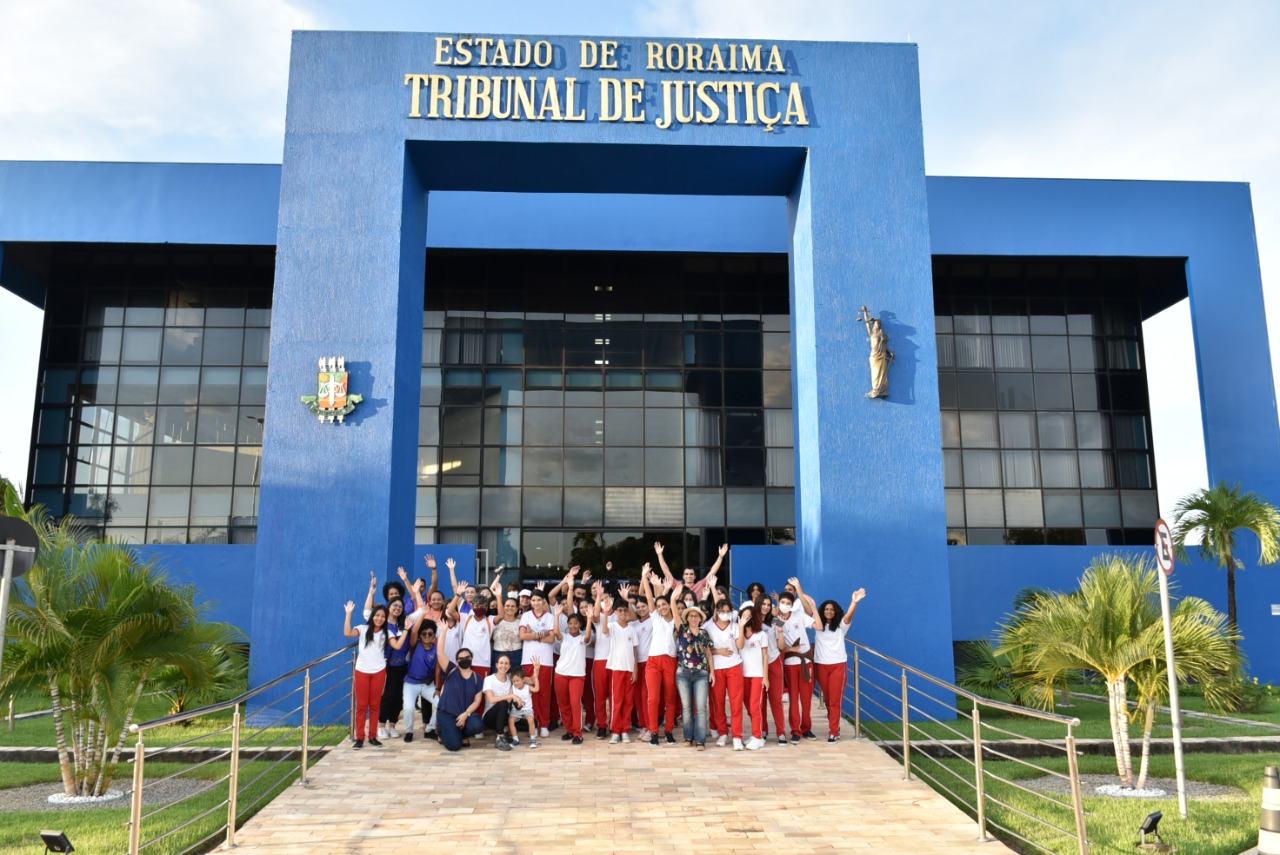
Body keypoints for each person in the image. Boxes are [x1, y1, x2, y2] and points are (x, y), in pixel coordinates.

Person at [814, 589, 866, 742]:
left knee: (835, 700)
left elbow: (849, 616)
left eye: (832, 609)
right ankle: (834, 727)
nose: (829, 611)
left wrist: (854, 602)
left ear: (836, 612)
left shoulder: (841, 626)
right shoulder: (818, 625)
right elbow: (808, 609)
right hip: (821, 666)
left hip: (838, 666)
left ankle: (833, 731)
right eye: (826, 609)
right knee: (829, 700)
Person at [343, 599, 394, 749]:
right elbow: (347, 633)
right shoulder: (363, 629)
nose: (379, 618)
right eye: (377, 615)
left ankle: (373, 736)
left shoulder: (387, 633)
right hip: (362, 671)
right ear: (372, 616)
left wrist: (406, 630)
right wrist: (349, 614)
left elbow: (396, 645)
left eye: (383, 616)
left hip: (379, 671)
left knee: (375, 705)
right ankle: (360, 737)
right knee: (362, 706)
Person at [640, 568, 679, 746]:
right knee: (653, 698)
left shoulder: (677, 621)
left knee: (670, 698)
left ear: (670, 605)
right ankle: (654, 731)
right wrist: (644, 577)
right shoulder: (655, 617)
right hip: (654, 662)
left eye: (665, 605)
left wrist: (671, 596)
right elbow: (649, 597)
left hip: (670, 661)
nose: (662, 608)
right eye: (660, 605)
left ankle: (669, 731)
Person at [672, 589, 714, 750]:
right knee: (687, 708)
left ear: (701, 619)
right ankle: (688, 737)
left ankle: (700, 740)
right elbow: (675, 613)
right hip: (683, 674)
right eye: (691, 616)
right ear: (687, 618)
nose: (694, 618)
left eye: (696, 616)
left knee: (701, 707)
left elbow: (709, 653)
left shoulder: (704, 633)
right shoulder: (682, 629)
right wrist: (673, 598)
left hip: (702, 674)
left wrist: (713, 673)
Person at [779, 577, 819, 741]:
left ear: (792, 602)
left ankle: (806, 728)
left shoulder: (799, 615)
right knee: (793, 698)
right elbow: (780, 647)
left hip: (806, 662)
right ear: (779, 603)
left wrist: (815, 608)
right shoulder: (777, 620)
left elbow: (819, 626)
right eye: (783, 602)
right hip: (790, 663)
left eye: (788, 602)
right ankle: (795, 730)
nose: (785, 605)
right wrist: (790, 649)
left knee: (806, 698)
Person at [707, 590, 745, 750]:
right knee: (718, 702)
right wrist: (718, 652)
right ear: (717, 611)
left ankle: (737, 736)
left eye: (728, 611)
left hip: (734, 666)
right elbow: (705, 649)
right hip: (717, 668)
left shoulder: (735, 626)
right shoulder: (708, 627)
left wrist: (742, 628)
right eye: (722, 611)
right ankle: (723, 732)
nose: (725, 614)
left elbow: (741, 645)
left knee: (736, 703)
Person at [602, 587, 640, 744]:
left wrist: (636, 669)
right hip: (617, 668)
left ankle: (625, 729)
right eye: (620, 611)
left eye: (625, 611)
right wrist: (605, 613)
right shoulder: (612, 626)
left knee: (628, 701)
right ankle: (616, 730)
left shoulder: (632, 629)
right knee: (617, 701)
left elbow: (635, 650)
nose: (623, 613)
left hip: (630, 670)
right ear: (616, 612)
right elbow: (604, 630)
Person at [518, 589, 556, 738]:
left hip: (545, 659)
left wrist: (532, 634)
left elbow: (551, 638)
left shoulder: (550, 617)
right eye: (533, 600)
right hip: (528, 658)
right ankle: (532, 724)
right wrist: (542, 634)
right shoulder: (526, 616)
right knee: (531, 693)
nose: (536, 603)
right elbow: (522, 636)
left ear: (543, 601)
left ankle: (544, 724)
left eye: (539, 600)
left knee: (544, 693)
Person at [553, 602, 593, 744]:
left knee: (575, 703)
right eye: (571, 623)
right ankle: (569, 730)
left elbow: (588, 636)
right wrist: (557, 616)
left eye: (576, 623)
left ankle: (578, 733)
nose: (573, 625)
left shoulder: (583, 638)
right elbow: (556, 632)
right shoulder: (563, 636)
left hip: (577, 676)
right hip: (561, 674)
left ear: (580, 624)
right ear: (568, 624)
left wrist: (589, 618)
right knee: (563, 704)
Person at [736, 601, 769, 750]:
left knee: (755, 707)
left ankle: (758, 736)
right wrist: (741, 627)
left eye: (749, 616)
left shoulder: (761, 634)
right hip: (742, 676)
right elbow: (741, 646)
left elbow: (765, 657)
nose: (747, 618)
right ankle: (758, 734)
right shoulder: (739, 633)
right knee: (749, 708)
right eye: (744, 616)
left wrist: (765, 677)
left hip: (757, 675)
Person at [437, 646, 484, 751]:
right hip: (447, 713)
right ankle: (441, 731)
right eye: (461, 658)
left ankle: (459, 734)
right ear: (457, 660)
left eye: (467, 657)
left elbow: (477, 701)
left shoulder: (477, 678)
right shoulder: (451, 670)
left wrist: (466, 714)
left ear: (472, 658)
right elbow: (440, 653)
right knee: (454, 746)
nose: (464, 660)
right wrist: (444, 631)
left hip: (465, 714)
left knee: (478, 726)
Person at [401, 617, 439, 742]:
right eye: (424, 633)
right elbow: (414, 632)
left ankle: (430, 729)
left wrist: (438, 688)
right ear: (420, 635)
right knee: (409, 708)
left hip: (427, 684)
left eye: (430, 633)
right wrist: (422, 613)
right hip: (411, 683)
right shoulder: (415, 644)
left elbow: (438, 670)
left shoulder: (437, 648)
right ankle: (409, 731)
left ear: (434, 635)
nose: (427, 636)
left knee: (442, 704)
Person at [757, 595, 788, 745]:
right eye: (763, 604)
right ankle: (763, 730)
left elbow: (782, 647)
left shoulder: (776, 621)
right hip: (757, 665)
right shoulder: (752, 621)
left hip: (774, 662)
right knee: (760, 701)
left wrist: (781, 632)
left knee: (776, 700)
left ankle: (781, 733)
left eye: (768, 604)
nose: (766, 607)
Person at [590, 577, 614, 738]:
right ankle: (601, 725)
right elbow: (597, 616)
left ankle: (614, 724)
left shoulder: (620, 615)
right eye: (602, 599)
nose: (605, 601)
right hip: (599, 660)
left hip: (615, 660)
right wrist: (598, 596)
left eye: (607, 598)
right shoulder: (598, 618)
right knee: (599, 696)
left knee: (614, 696)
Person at [482, 653, 517, 750]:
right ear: (496, 665)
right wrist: (510, 695)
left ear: (509, 666)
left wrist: (536, 672)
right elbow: (492, 699)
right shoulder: (489, 679)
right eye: (501, 663)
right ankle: (500, 737)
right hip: (490, 717)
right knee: (503, 703)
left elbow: (526, 680)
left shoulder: (510, 679)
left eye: (506, 663)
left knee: (515, 710)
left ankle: (502, 731)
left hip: (505, 716)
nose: (503, 666)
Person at [507, 662, 540, 748]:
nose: (516, 683)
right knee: (511, 720)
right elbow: (508, 699)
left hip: (527, 709)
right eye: (514, 681)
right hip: (516, 710)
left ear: (523, 680)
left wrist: (535, 677)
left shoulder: (527, 687)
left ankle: (533, 739)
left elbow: (536, 689)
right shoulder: (513, 688)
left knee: (531, 720)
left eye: (518, 680)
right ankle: (515, 739)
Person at [492, 593, 524, 671]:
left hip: (516, 655)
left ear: (517, 609)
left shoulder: (522, 622)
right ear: (503, 607)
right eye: (507, 606)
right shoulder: (495, 620)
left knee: (515, 681)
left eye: (513, 606)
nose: (510, 608)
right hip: (497, 654)